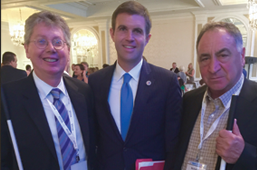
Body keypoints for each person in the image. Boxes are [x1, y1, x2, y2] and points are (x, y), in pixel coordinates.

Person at [88, 1, 182, 170]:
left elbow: (173, 144)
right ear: (112, 34)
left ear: (147, 38)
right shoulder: (96, 81)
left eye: (137, 31)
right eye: (122, 29)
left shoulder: (166, 82)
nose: (129, 37)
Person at [1, 11, 96, 170]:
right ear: (26, 49)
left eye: (58, 42)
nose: (50, 48)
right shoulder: (8, 99)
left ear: (68, 49)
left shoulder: (84, 91)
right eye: (41, 41)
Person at [174, 22, 257, 170]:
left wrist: (244, 154)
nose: (213, 68)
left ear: (242, 56)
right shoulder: (189, 100)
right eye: (205, 58)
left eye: (223, 55)